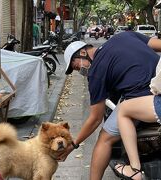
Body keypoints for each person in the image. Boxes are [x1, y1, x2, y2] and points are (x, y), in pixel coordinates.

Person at [59, 31, 161, 180]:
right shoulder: (124, 35)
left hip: (143, 96)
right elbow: (157, 44)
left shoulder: (95, 73)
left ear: (83, 52)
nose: (80, 71)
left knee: (104, 138)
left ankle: (132, 169)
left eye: (76, 67)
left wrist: (73, 144)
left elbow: (95, 119)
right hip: (159, 83)